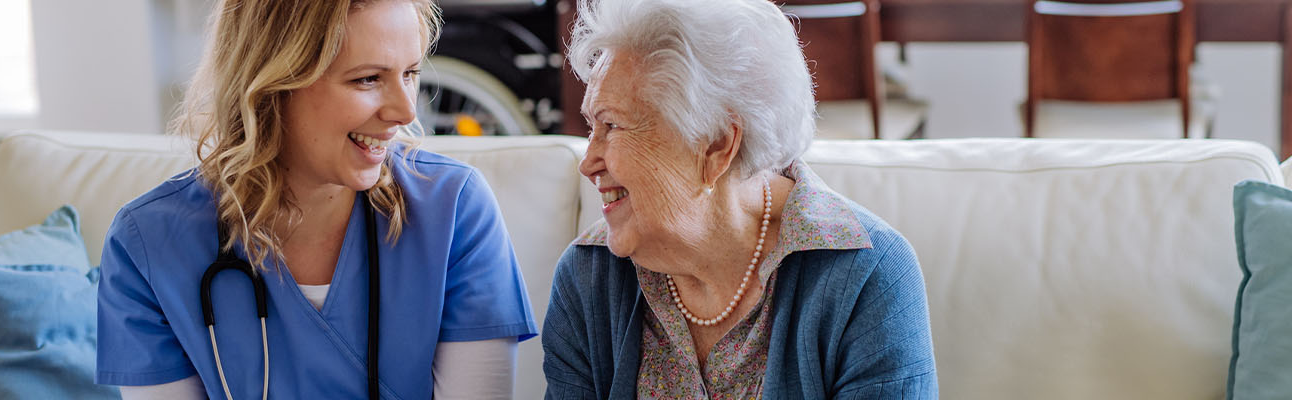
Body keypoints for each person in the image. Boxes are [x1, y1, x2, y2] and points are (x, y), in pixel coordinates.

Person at [94, 0, 536, 398]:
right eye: (367, 78)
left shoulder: (455, 210)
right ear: (270, 84)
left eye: (411, 74)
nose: (405, 112)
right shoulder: (147, 244)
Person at [542, 0, 938, 398]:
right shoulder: (589, 279)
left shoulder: (867, 276)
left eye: (611, 125)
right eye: (593, 126)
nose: (588, 162)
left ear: (716, 147)